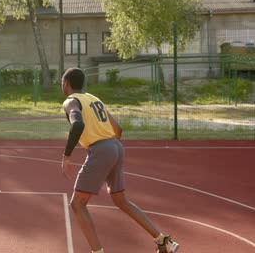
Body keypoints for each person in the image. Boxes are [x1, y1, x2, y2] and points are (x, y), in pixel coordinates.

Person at [60, 67, 179, 253]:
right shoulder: (94, 99)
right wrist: (110, 150)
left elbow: (77, 123)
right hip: (115, 146)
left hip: (101, 150)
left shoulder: (70, 101)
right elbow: (119, 128)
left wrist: (67, 155)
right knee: (121, 200)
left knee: (77, 204)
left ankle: (97, 251)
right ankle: (163, 241)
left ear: (65, 83)